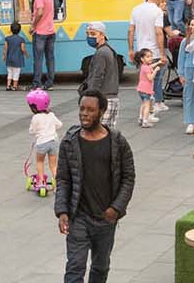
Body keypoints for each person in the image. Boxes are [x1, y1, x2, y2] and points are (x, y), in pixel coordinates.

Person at [55, 90, 136, 283]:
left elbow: (128, 177)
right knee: (75, 268)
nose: (84, 113)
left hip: (106, 219)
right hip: (78, 217)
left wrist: (115, 209)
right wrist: (62, 211)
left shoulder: (117, 142)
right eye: (82, 109)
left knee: (100, 268)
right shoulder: (69, 142)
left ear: (102, 112)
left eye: (90, 110)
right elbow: (63, 179)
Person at [81, 23, 122, 127]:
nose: (90, 37)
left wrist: (90, 96)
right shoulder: (108, 50)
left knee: (97, 133)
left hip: (104, 98)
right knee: (108, 134)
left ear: (102, 35)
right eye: (88, 34)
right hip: (111, 97)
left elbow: (97, 76)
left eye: (93, 34)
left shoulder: (101, 53)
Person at [26, 88, 62, 196]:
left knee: (40, 162)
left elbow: (32, 131)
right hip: (54, 141)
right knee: (53, 165)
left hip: (42, 143)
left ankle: (41, 181)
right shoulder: (51, 115)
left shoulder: (35, 117)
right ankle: (57, 184)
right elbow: (59, 125)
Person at [30, 0, 59, 91]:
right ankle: (50, 82)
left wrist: (33, 25)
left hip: (40, 32)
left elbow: (40, 12)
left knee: (38, 58)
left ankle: (37, 83)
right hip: (51, 31)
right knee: (50, 58)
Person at [134, 51, 160, 128]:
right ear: (142, 59)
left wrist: (158, 63)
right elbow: (150, 78)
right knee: (147, 105)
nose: (150, 58)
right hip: (146, 89)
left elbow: (150, 66)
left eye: (151, 56)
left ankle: (141, 118)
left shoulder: (144, 66)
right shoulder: (147, 68)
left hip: (141, 89)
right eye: (148, 57)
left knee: (143, 104)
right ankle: (145, 121)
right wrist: (156, 70)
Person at [5, 22, 28, 91]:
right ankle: (14, 86)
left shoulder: (7, 39)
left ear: (11, 30)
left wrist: (4, 56)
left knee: (10, 72)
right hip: (18, 59)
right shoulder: (21, 39)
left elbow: (5, 49)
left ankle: (8, 85)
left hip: (9, 59)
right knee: (16, 73)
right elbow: (23, 49)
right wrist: (26, 54)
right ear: (19, 30)